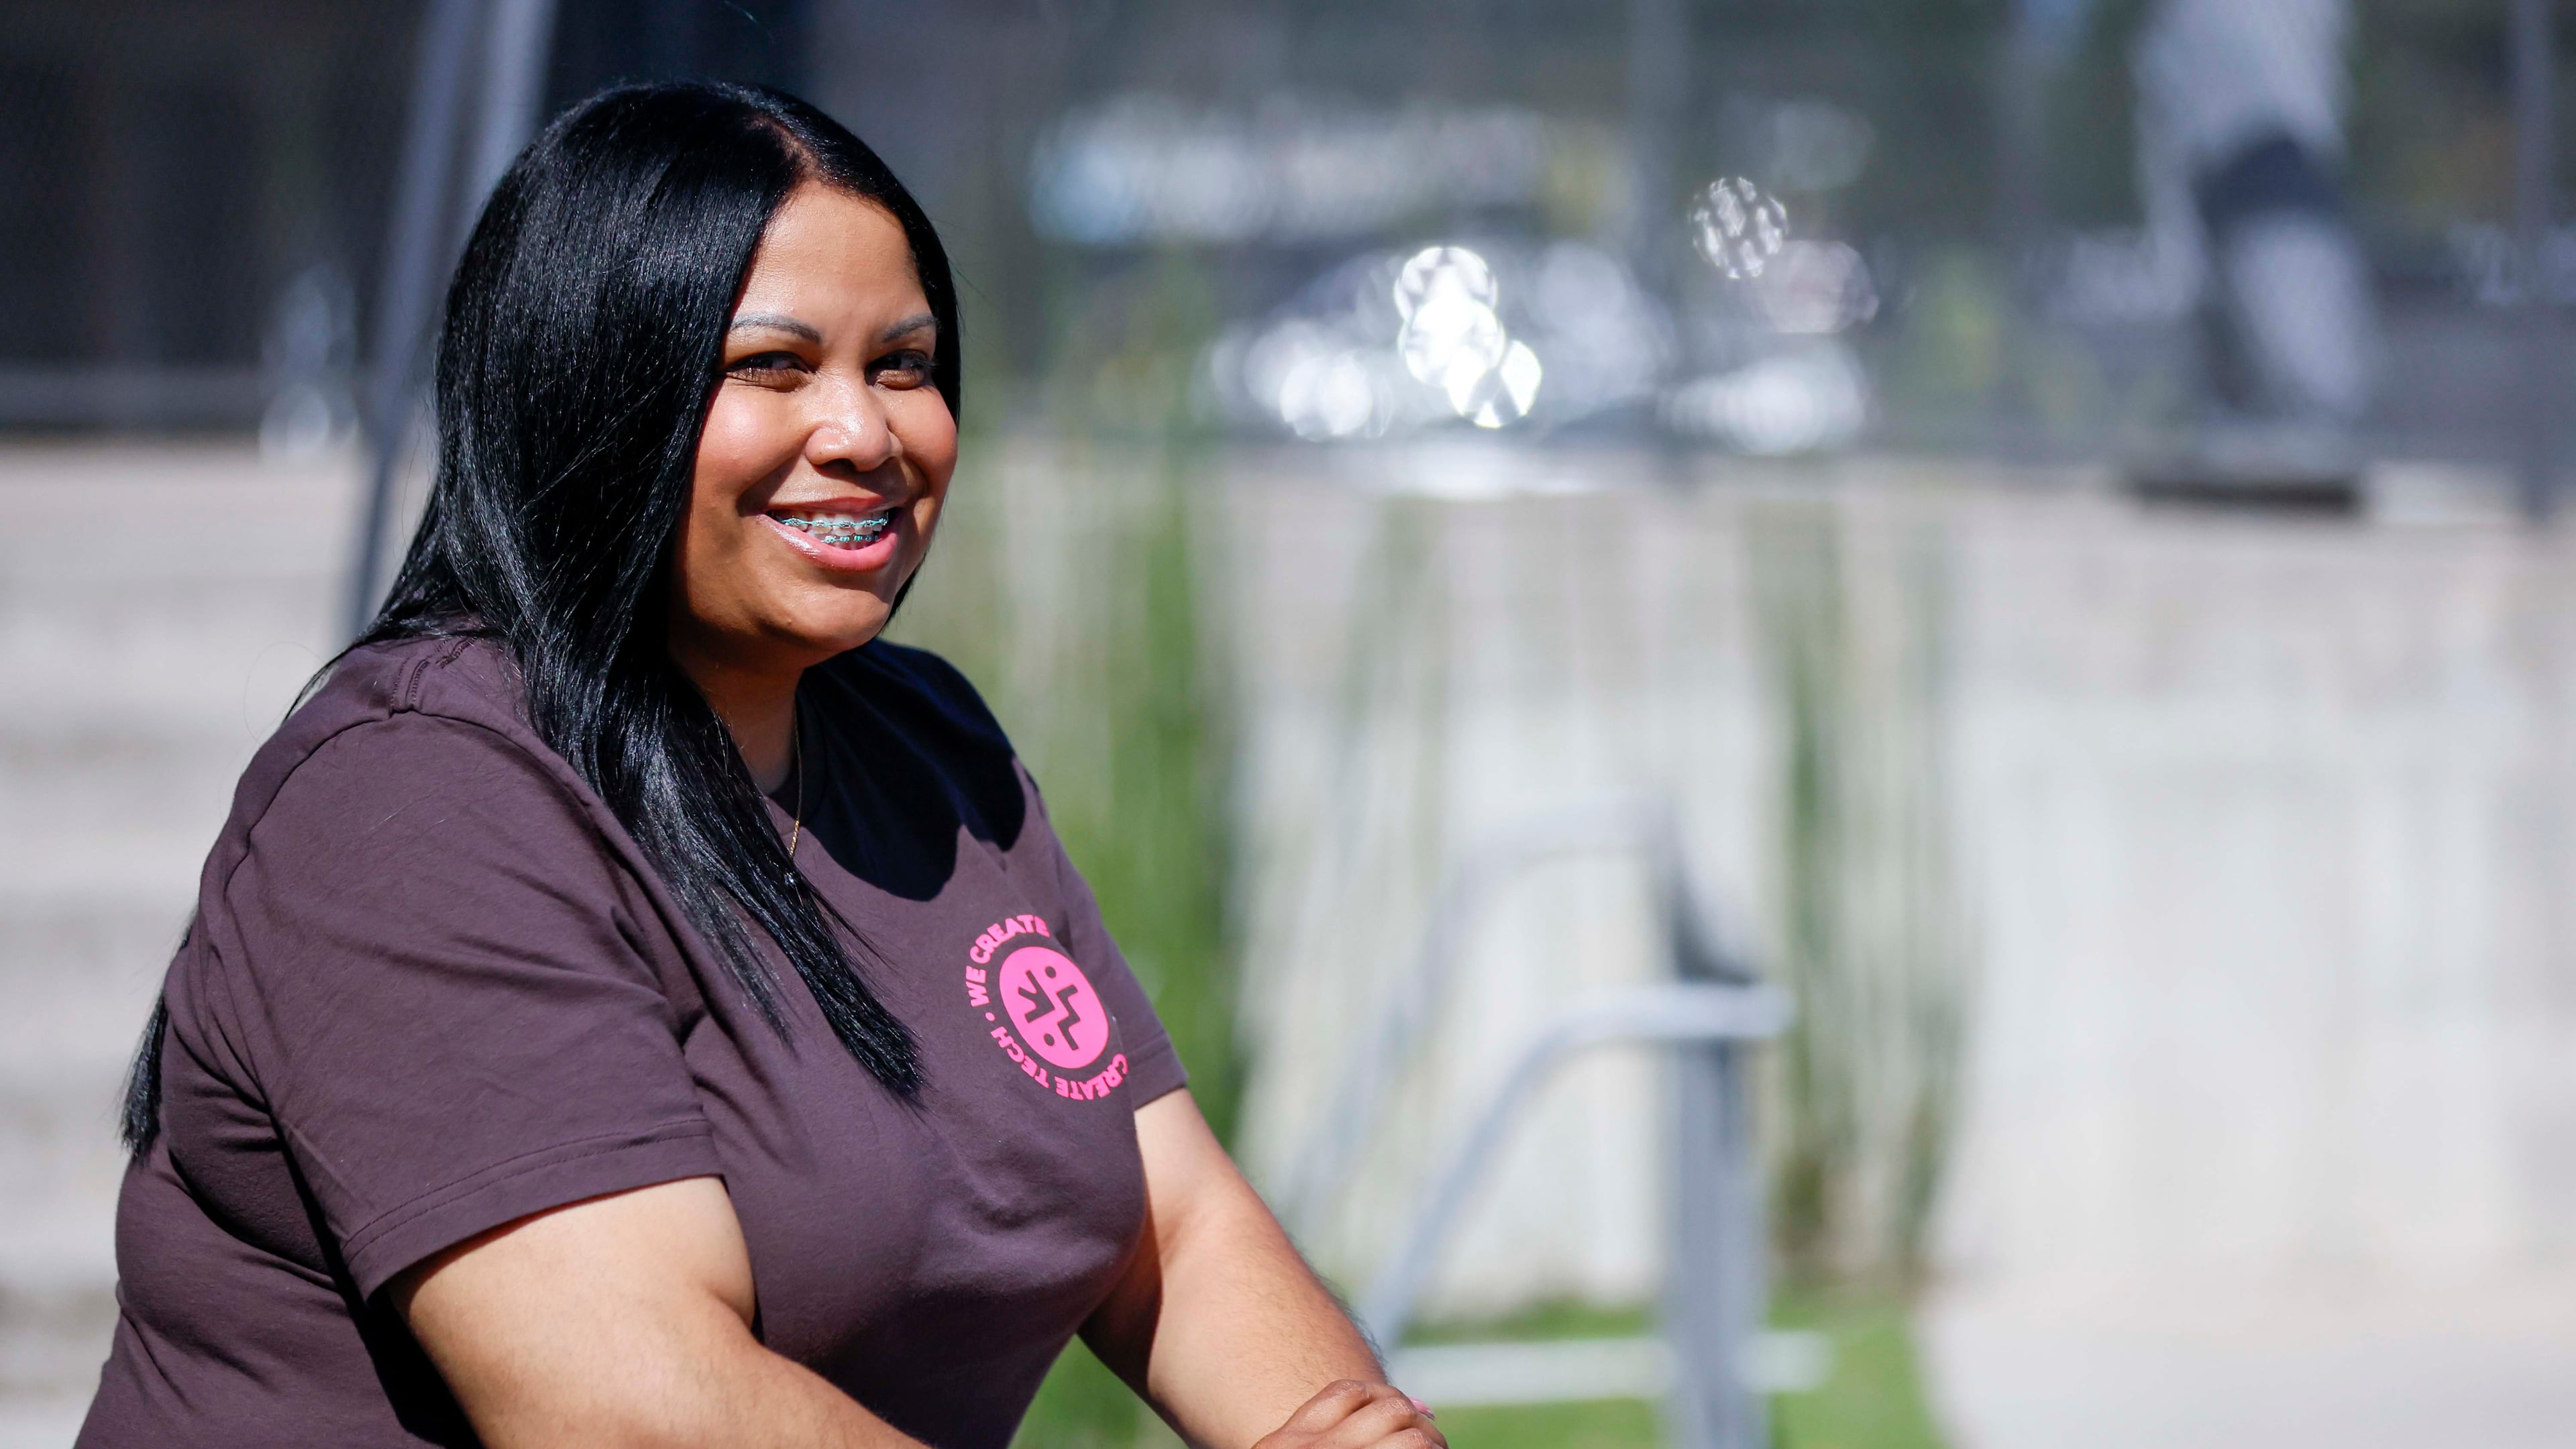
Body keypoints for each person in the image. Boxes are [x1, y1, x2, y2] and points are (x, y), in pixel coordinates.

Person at [78, 83, 1439, 1449]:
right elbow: (630, 1407)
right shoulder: (416, 798)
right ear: (594, 392)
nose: (865, 433)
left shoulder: (930, 746)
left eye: (904, 364)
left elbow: (1175, 1226)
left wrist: (1322, 1427)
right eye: (776, 367)